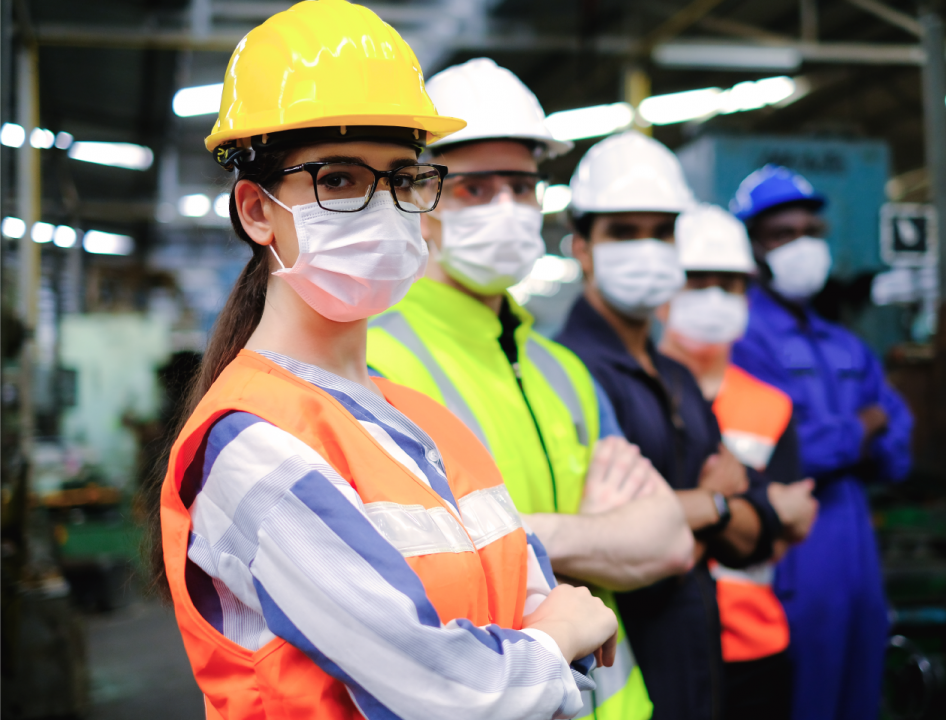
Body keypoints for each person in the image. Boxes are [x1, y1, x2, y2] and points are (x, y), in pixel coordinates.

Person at [148, 3, 619, 718]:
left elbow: (543, 659)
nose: (382, 208)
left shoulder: (428, 421)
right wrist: (555, 644)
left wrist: (541, 658)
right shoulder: (250, 446)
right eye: (338, 179)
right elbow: (458, 697)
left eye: (401, 178)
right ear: (256, 210)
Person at [366, 57, 691, 720]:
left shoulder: (563, 370)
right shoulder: (376, 365)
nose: (507, 208)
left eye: (521, 185)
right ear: (419, 198)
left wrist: (513, 539)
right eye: (475, 190)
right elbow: (416, 576)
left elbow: (667, 540)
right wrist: (597, 533)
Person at [557, 132, 783, 720]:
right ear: (582, 246)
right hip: (622, 660)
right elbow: (603, 535)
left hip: (700, 658)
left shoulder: (677, 378)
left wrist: (706, 510)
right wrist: (717, 502)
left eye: (660, 232)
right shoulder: (565, 374)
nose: (647, 249)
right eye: (624, 232)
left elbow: (760, 531)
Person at [729, 165, 913, 720]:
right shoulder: (743, 339)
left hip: (858, 552)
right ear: (754, 247)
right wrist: (861, 428)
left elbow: (899, 445)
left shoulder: (844, 343)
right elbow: (784, 450)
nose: (801, 246)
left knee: (860, 691)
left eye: (810, 231)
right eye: (783, 235)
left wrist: (859, 439)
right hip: (797, 553)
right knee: (805, 697)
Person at [658, 203, 820, 720]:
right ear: (663, 291)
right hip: (664, 638)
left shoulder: (772, 405)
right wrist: (755, 501)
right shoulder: (631, 396)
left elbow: (788, 528)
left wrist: (709, 505)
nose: (713, 298)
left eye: (728, 284)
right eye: (696, 282)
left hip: (756, 646)